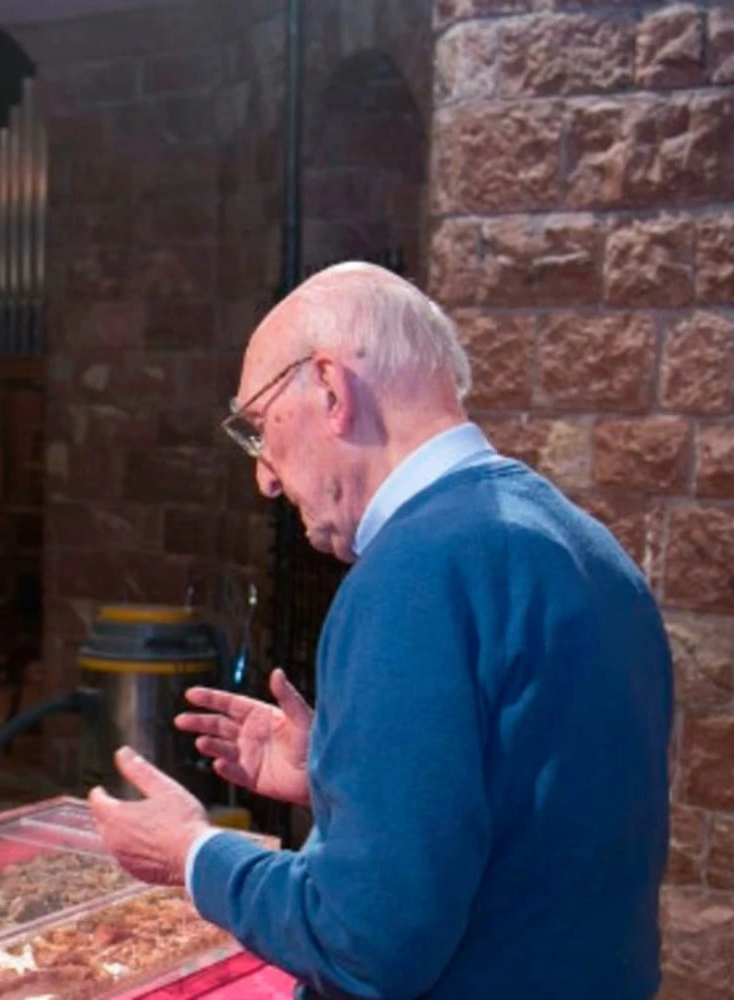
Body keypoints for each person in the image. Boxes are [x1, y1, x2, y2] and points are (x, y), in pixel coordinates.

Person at [87, 263, 674, 999]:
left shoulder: (412, 573)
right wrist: (341, 774)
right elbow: (538, 812)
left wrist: (194, 856)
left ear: (331, 389)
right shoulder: (588, 547)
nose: (264, 477)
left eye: (259, 427)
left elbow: (366, 942)